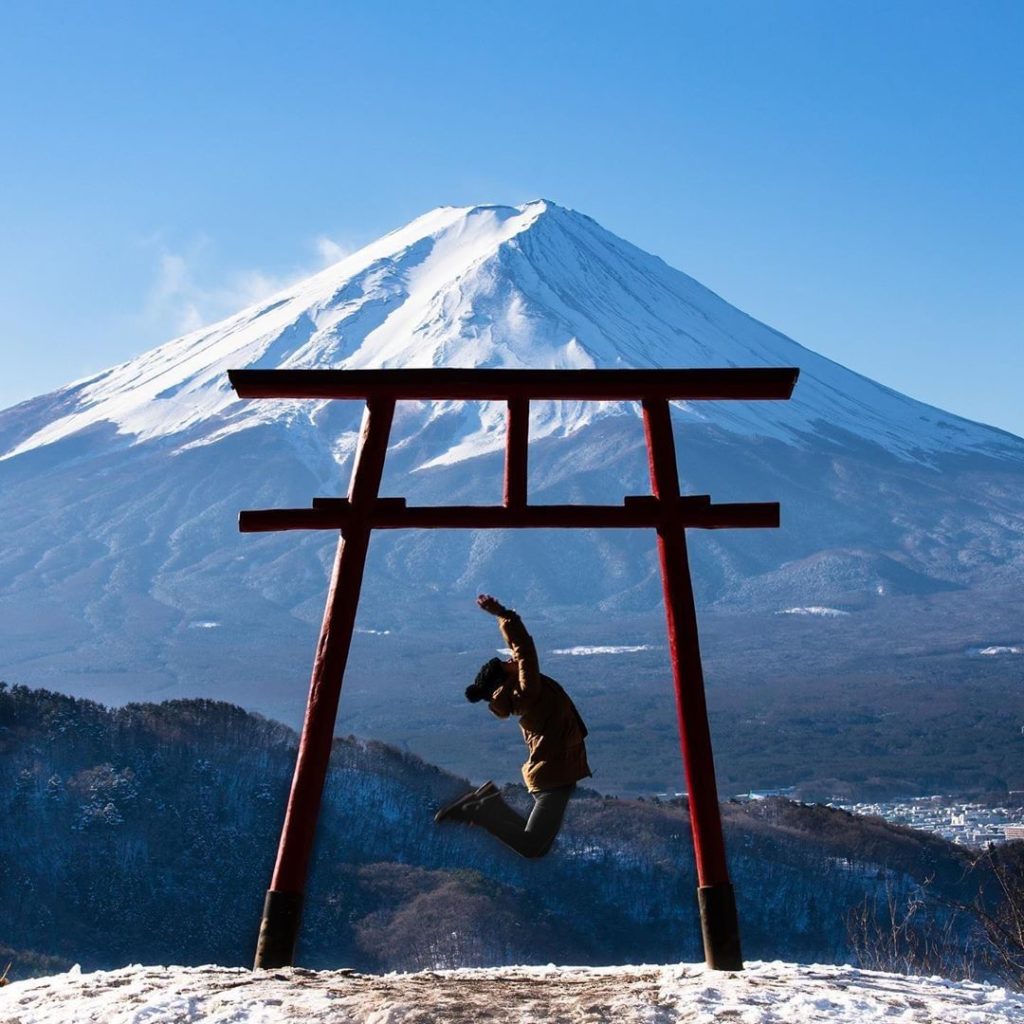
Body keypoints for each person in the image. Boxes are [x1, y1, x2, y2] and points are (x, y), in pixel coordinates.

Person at [434, 594, 591, 858]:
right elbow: (524, 650)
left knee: (534, 840)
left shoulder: (518, 694)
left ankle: (490, 803)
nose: (511, 661)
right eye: (506, 663)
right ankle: (480, 811)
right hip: (554, 776)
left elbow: (519, 656)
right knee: (532, 846)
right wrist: (503, 614)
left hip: (555, 772)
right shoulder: (527, 691)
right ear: (503, 678)